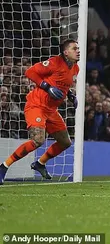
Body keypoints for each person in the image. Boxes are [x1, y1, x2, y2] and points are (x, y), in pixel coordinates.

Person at [0, 39, 80, 184]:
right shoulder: (54, 62)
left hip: (51, 110)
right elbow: (30, 72)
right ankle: (4, 166)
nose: (78, 51)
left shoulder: (75, 68)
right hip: (36, 105)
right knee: (38, 140)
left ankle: (40, 163)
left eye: (78, 48)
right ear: (66, 52)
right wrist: (47, 87)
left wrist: (70, 95)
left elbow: (62, 84)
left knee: (65, 142)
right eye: (75, 48)